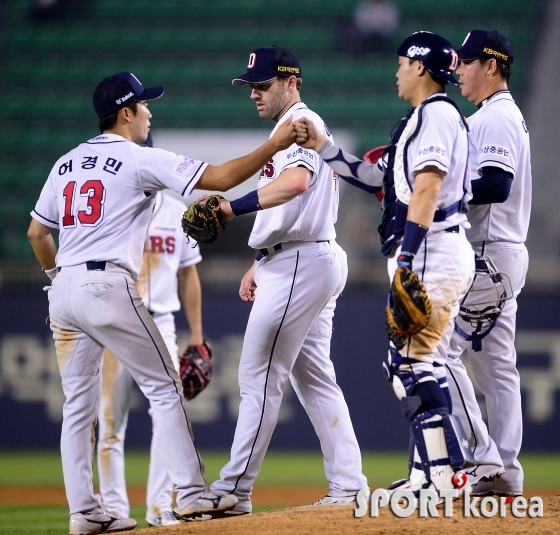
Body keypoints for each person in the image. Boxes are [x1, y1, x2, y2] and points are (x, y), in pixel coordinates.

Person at [27, 71, 296, 534]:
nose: (151, 112)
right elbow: (220, 178)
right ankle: (191, 493)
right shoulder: (136, 159)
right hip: (106, 285)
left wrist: (57, 277)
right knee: (166, 386)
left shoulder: (66, 162)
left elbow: (36, 232)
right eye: (145, 105)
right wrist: (274, 146)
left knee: (78, 408)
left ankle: (85, 513)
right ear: (125, 112)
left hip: (65, 290)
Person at [295, 32, 476, 494]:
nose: (396, 71)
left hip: (431, 246)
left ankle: (443, 475)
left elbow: (427, 190)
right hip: (434, 247)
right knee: (417, 362)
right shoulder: (424, 118)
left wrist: (409, 258)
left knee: (410, 364)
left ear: (419, 67)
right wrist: (324, 147)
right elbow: (379, 178)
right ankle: (428, 473)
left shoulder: (435, 115)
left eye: (401, 63)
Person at [206, 45, 369, 515]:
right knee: (314, 378)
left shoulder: (301, 125)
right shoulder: (287, 128)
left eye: (263, 85)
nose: (254, 93)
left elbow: (297, 184)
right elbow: (299, 203)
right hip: (303, 255)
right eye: (251, 86)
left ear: (291, 82)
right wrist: (262, 257)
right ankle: (349, 485)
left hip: (302, 260)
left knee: (258, 375)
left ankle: (234, 489)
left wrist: (233, 208)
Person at [444, 29, 531, 497]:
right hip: (501, 254)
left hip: (487, 254)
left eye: (468, 61)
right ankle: (507, 472)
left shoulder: (495, 118)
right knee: (498, 368)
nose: (458, 69)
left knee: (436, 352)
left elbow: (495, 186)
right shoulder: (496, 116)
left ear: (492, 66)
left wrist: (439, 195)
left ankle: (484, 462)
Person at [97, 171, 205, 526]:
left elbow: (188, 274)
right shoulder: (112, 207)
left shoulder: (179, 213)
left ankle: (160, 506)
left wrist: (197, 333)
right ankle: (114, 510)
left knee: (169, 417)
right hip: (118, 319)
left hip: (162, 321)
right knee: (111, 421)